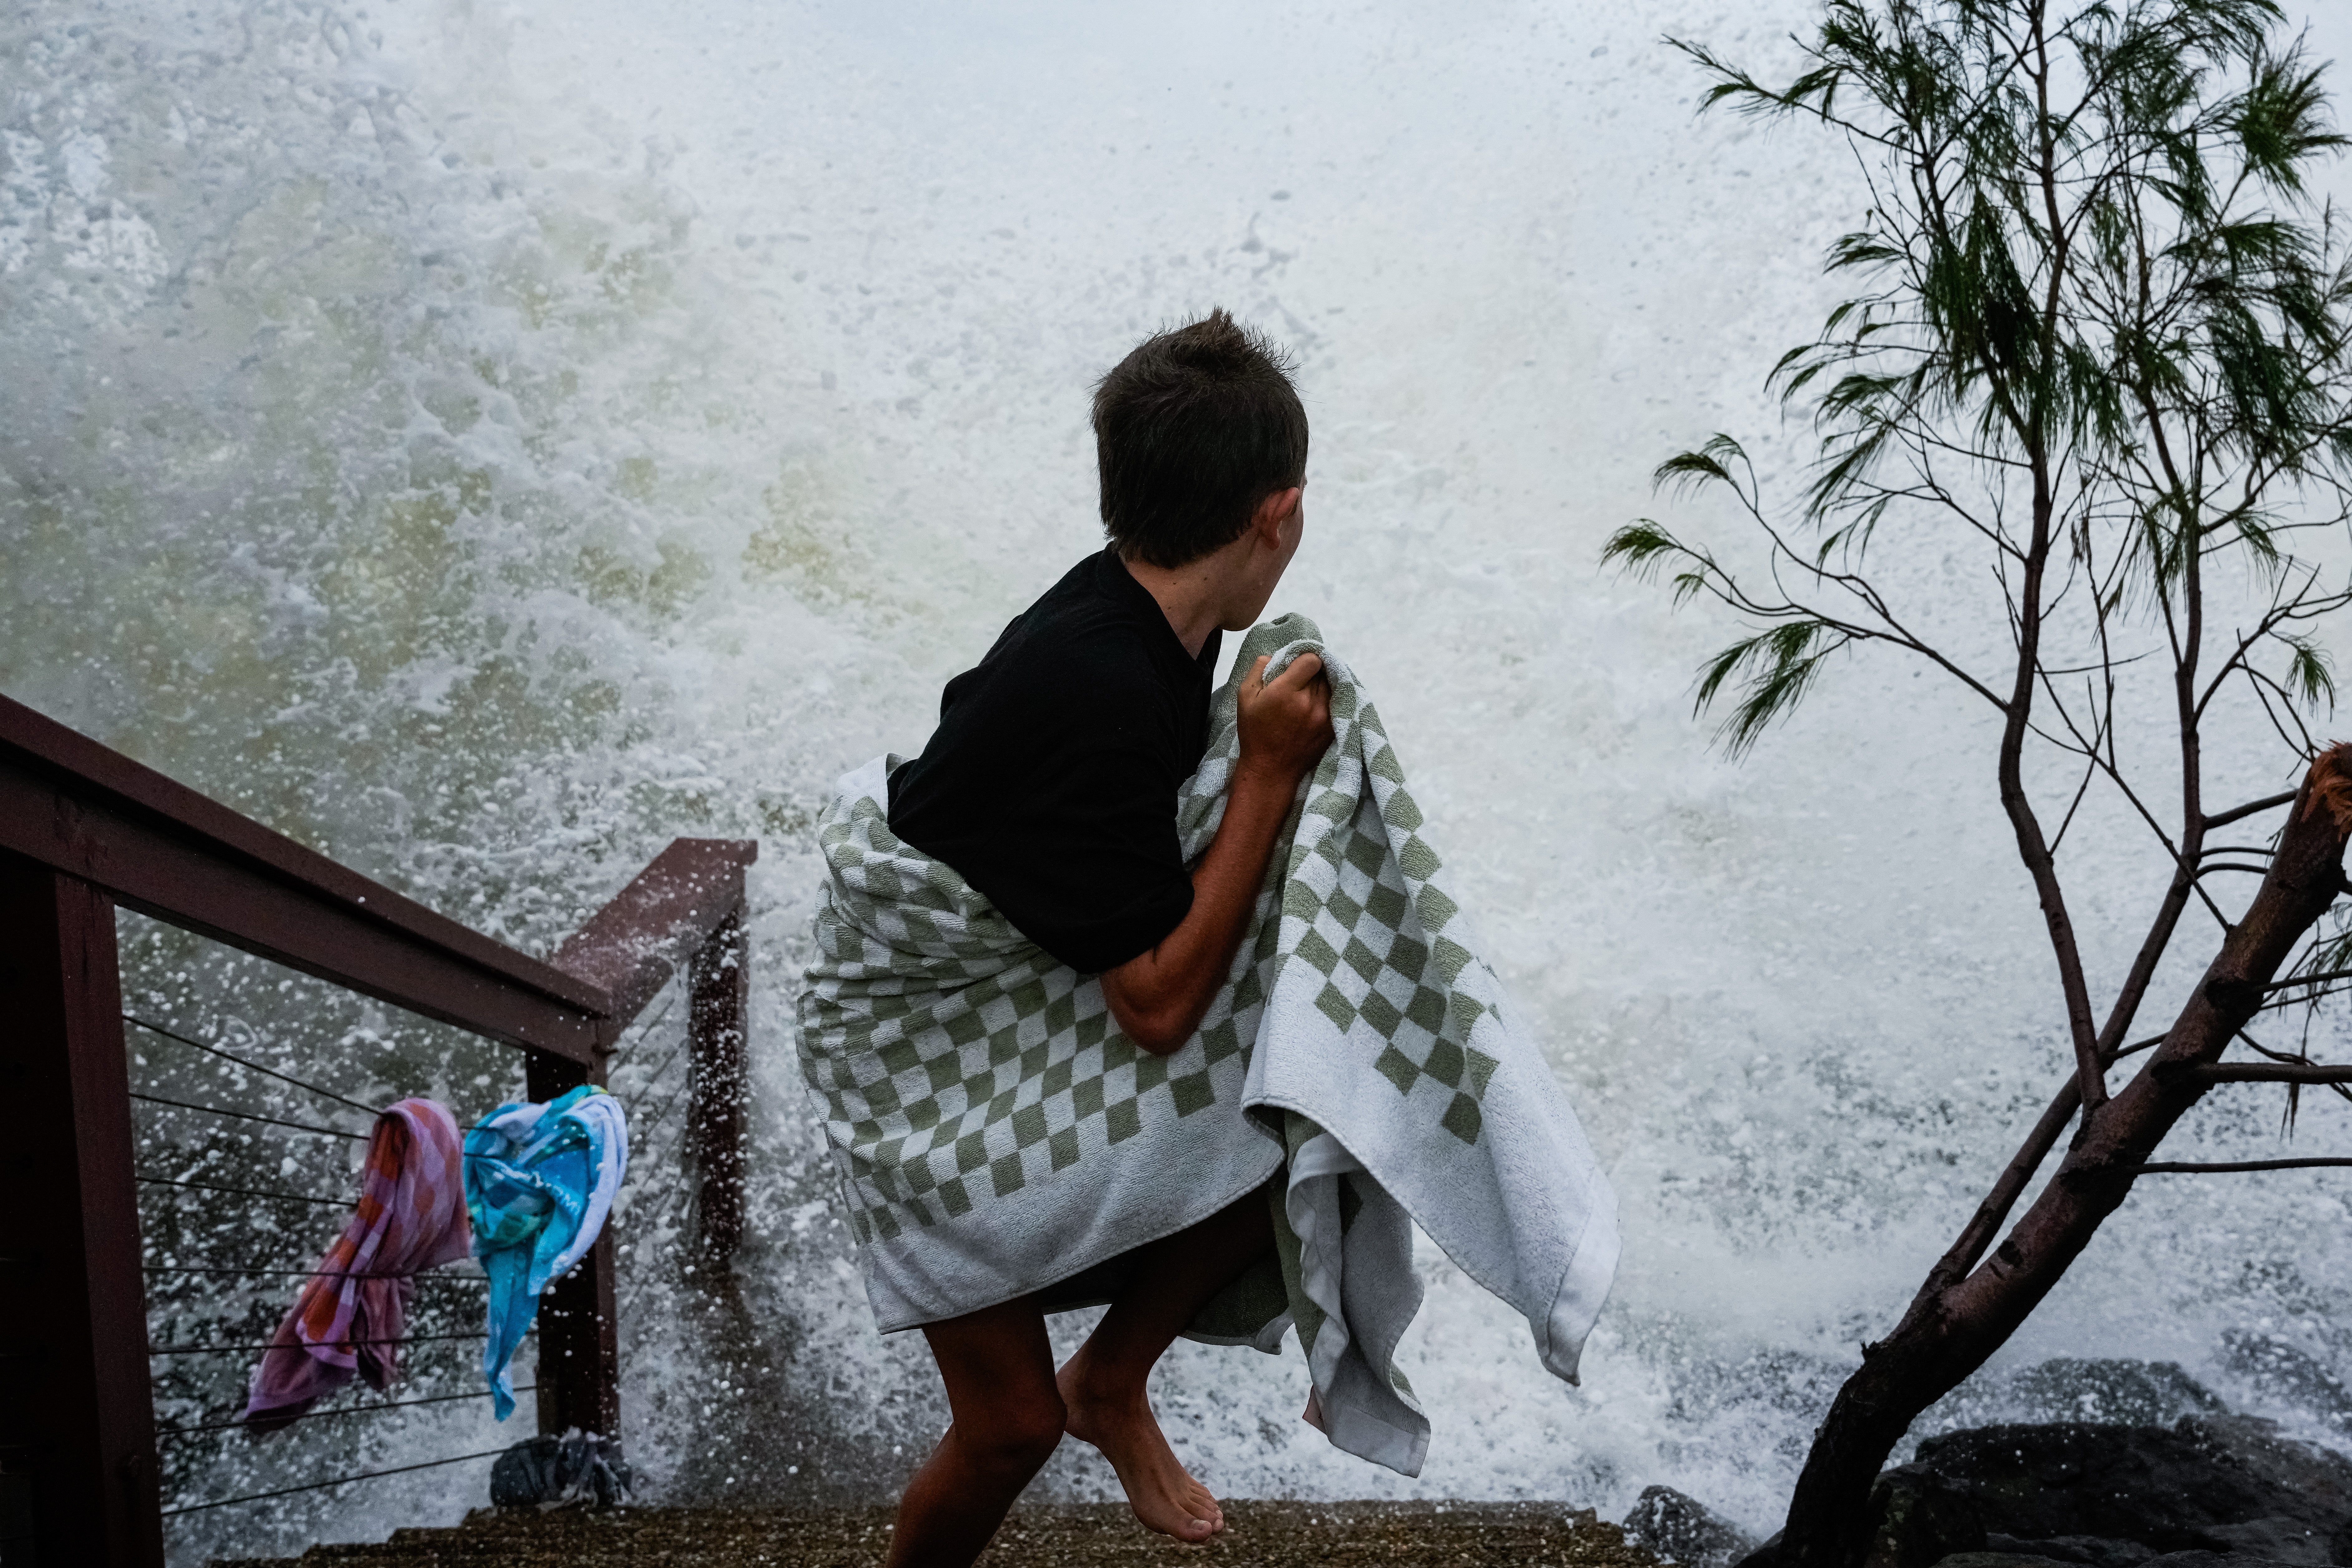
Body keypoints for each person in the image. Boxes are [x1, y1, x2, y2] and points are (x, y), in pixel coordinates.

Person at [875, 308, 1333, 1567]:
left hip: (1007, 1001)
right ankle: (1085, 1394)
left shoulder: (1158, 632)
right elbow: (1151, 1007)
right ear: (1277, 514)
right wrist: (1265, 779)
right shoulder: (1107, 682)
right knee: (1005, 1427)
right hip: (910, 1052)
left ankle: (1113, 1378)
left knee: (1311, 1107)